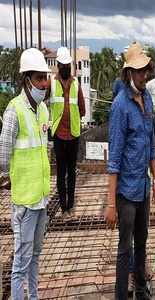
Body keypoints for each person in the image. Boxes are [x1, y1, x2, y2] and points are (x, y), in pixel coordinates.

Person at [104, 42, 155, 300]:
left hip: (144, 188)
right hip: (126, 192)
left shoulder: (147, 98)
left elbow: (149, 143)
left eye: (145, 70)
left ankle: (139, 290)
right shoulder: (120, 106)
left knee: (142, 243)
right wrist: (110, 203)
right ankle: (120, 296)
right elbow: (113, 159)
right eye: (138, 71)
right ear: (128, 73)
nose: (143, 75)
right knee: (125, 248)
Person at [0, 48, 51, 299]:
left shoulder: (43, 110)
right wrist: (13, 177)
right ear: (26, 80)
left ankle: (34, 297)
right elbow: (2, 155)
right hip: (24, 201)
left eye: (45, 77)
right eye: (39, 78)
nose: (44, 83)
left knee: (35, 256)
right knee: (20, 262)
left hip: (41, 198)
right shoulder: (14, 110)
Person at [49, 46, 85, 220]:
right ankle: (63, 207)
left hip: (73, 133)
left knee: (71, 172)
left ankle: (70, 206)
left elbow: (83, 109)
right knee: (61, 172)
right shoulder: (51, 83)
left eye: (67, 65)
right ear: (58, 65)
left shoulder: (76, 84)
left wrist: (75, 116)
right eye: (62, 65)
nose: (65, 68)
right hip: (58, 134)